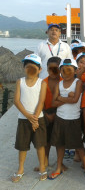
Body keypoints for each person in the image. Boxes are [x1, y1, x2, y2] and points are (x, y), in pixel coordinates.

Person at [49, 59, 85, 180]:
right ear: (60, 71)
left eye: (69, 70)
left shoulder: (78, 82)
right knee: (60, 145)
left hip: (73, 119)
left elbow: (75, 100)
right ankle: (58, 168)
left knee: (79, 146)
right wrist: (67, 98)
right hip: (60, 119)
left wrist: (61, 98)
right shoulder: (58, 84)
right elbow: (53, 103)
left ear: (75, 71)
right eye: (63, 70)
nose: (66, 72)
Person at [12, 54, 48, 182]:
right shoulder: (20, 82)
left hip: (39, 119)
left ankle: (42, 168)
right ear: (24, 68)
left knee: (40, 145)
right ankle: (20, 169)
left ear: (40, 69)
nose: (30, 70)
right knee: (22, 146)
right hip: (24, 119)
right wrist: (29, 117)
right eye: (27, 67)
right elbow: (16, 101)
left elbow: (41, 102)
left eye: (33, 67)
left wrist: (35, 119)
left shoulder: (42, 83)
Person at [36, 56, 62, 172]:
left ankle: (60, 164)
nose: (53, 71)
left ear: (60, 69)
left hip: (59, 114)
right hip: (45, 114)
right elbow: (38, 101)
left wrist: (56, 114)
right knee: (45, 141)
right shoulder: (42, 83)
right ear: (46, 69)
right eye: (50, 69)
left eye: (55, 69)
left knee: (59, 141)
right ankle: (44, 161)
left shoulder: (63, 83)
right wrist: (44, 113)